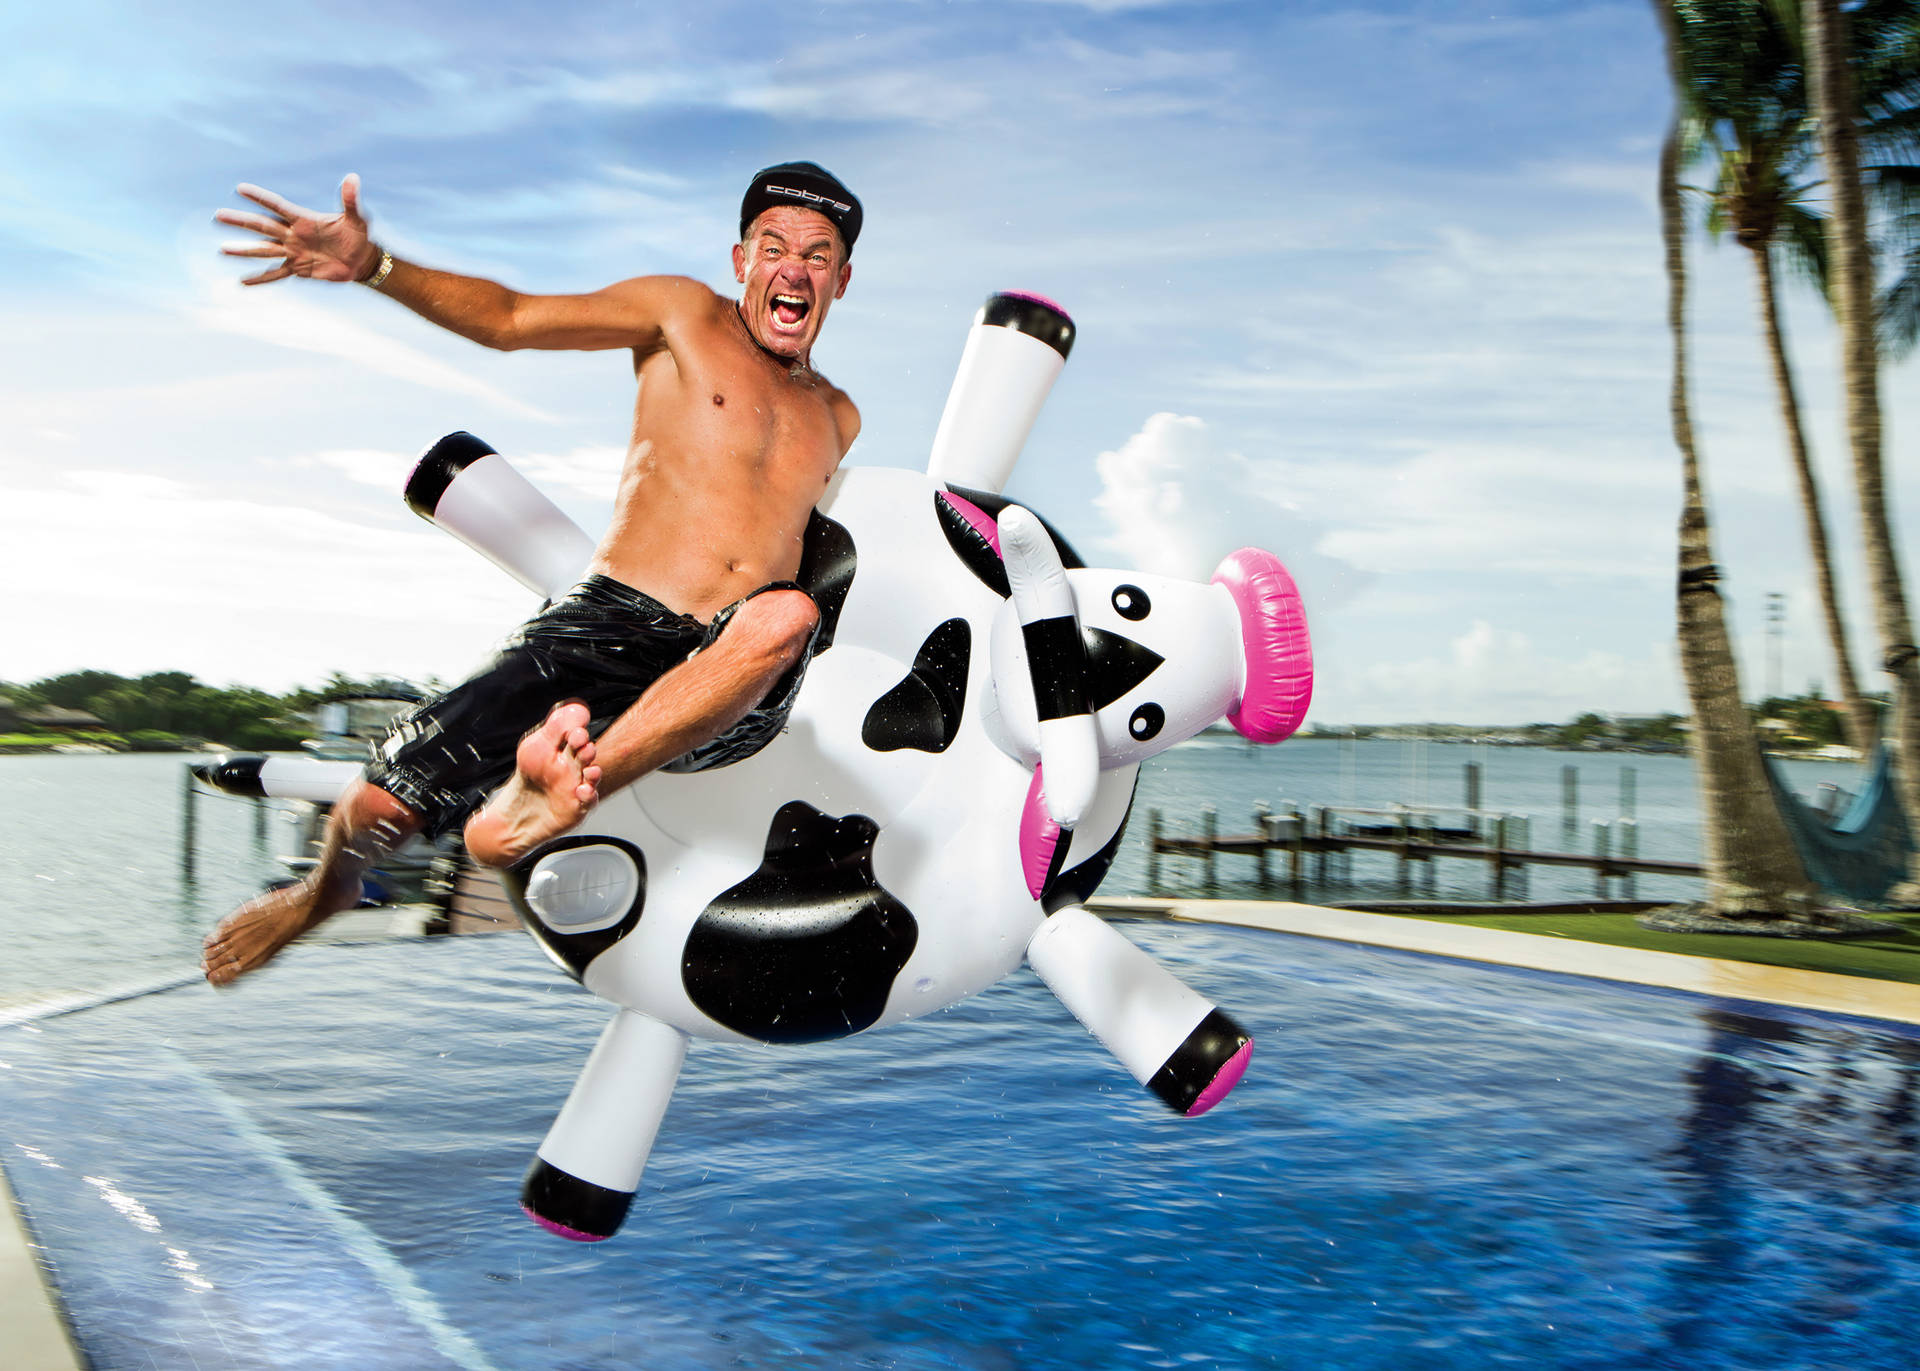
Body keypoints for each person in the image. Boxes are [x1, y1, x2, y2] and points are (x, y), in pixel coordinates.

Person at [201, 162, 864, 985]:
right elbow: (510, 319)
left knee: (786, 616)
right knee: (376, 810)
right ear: (742, 261)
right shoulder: (682, 314)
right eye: (774, 246)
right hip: (609, 620)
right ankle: (321, 895)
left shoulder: (839, 416)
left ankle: (559, 793)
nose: (793, 267)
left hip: (726, 673)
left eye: (818, 252)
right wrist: (374, 267)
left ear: (840, 278)